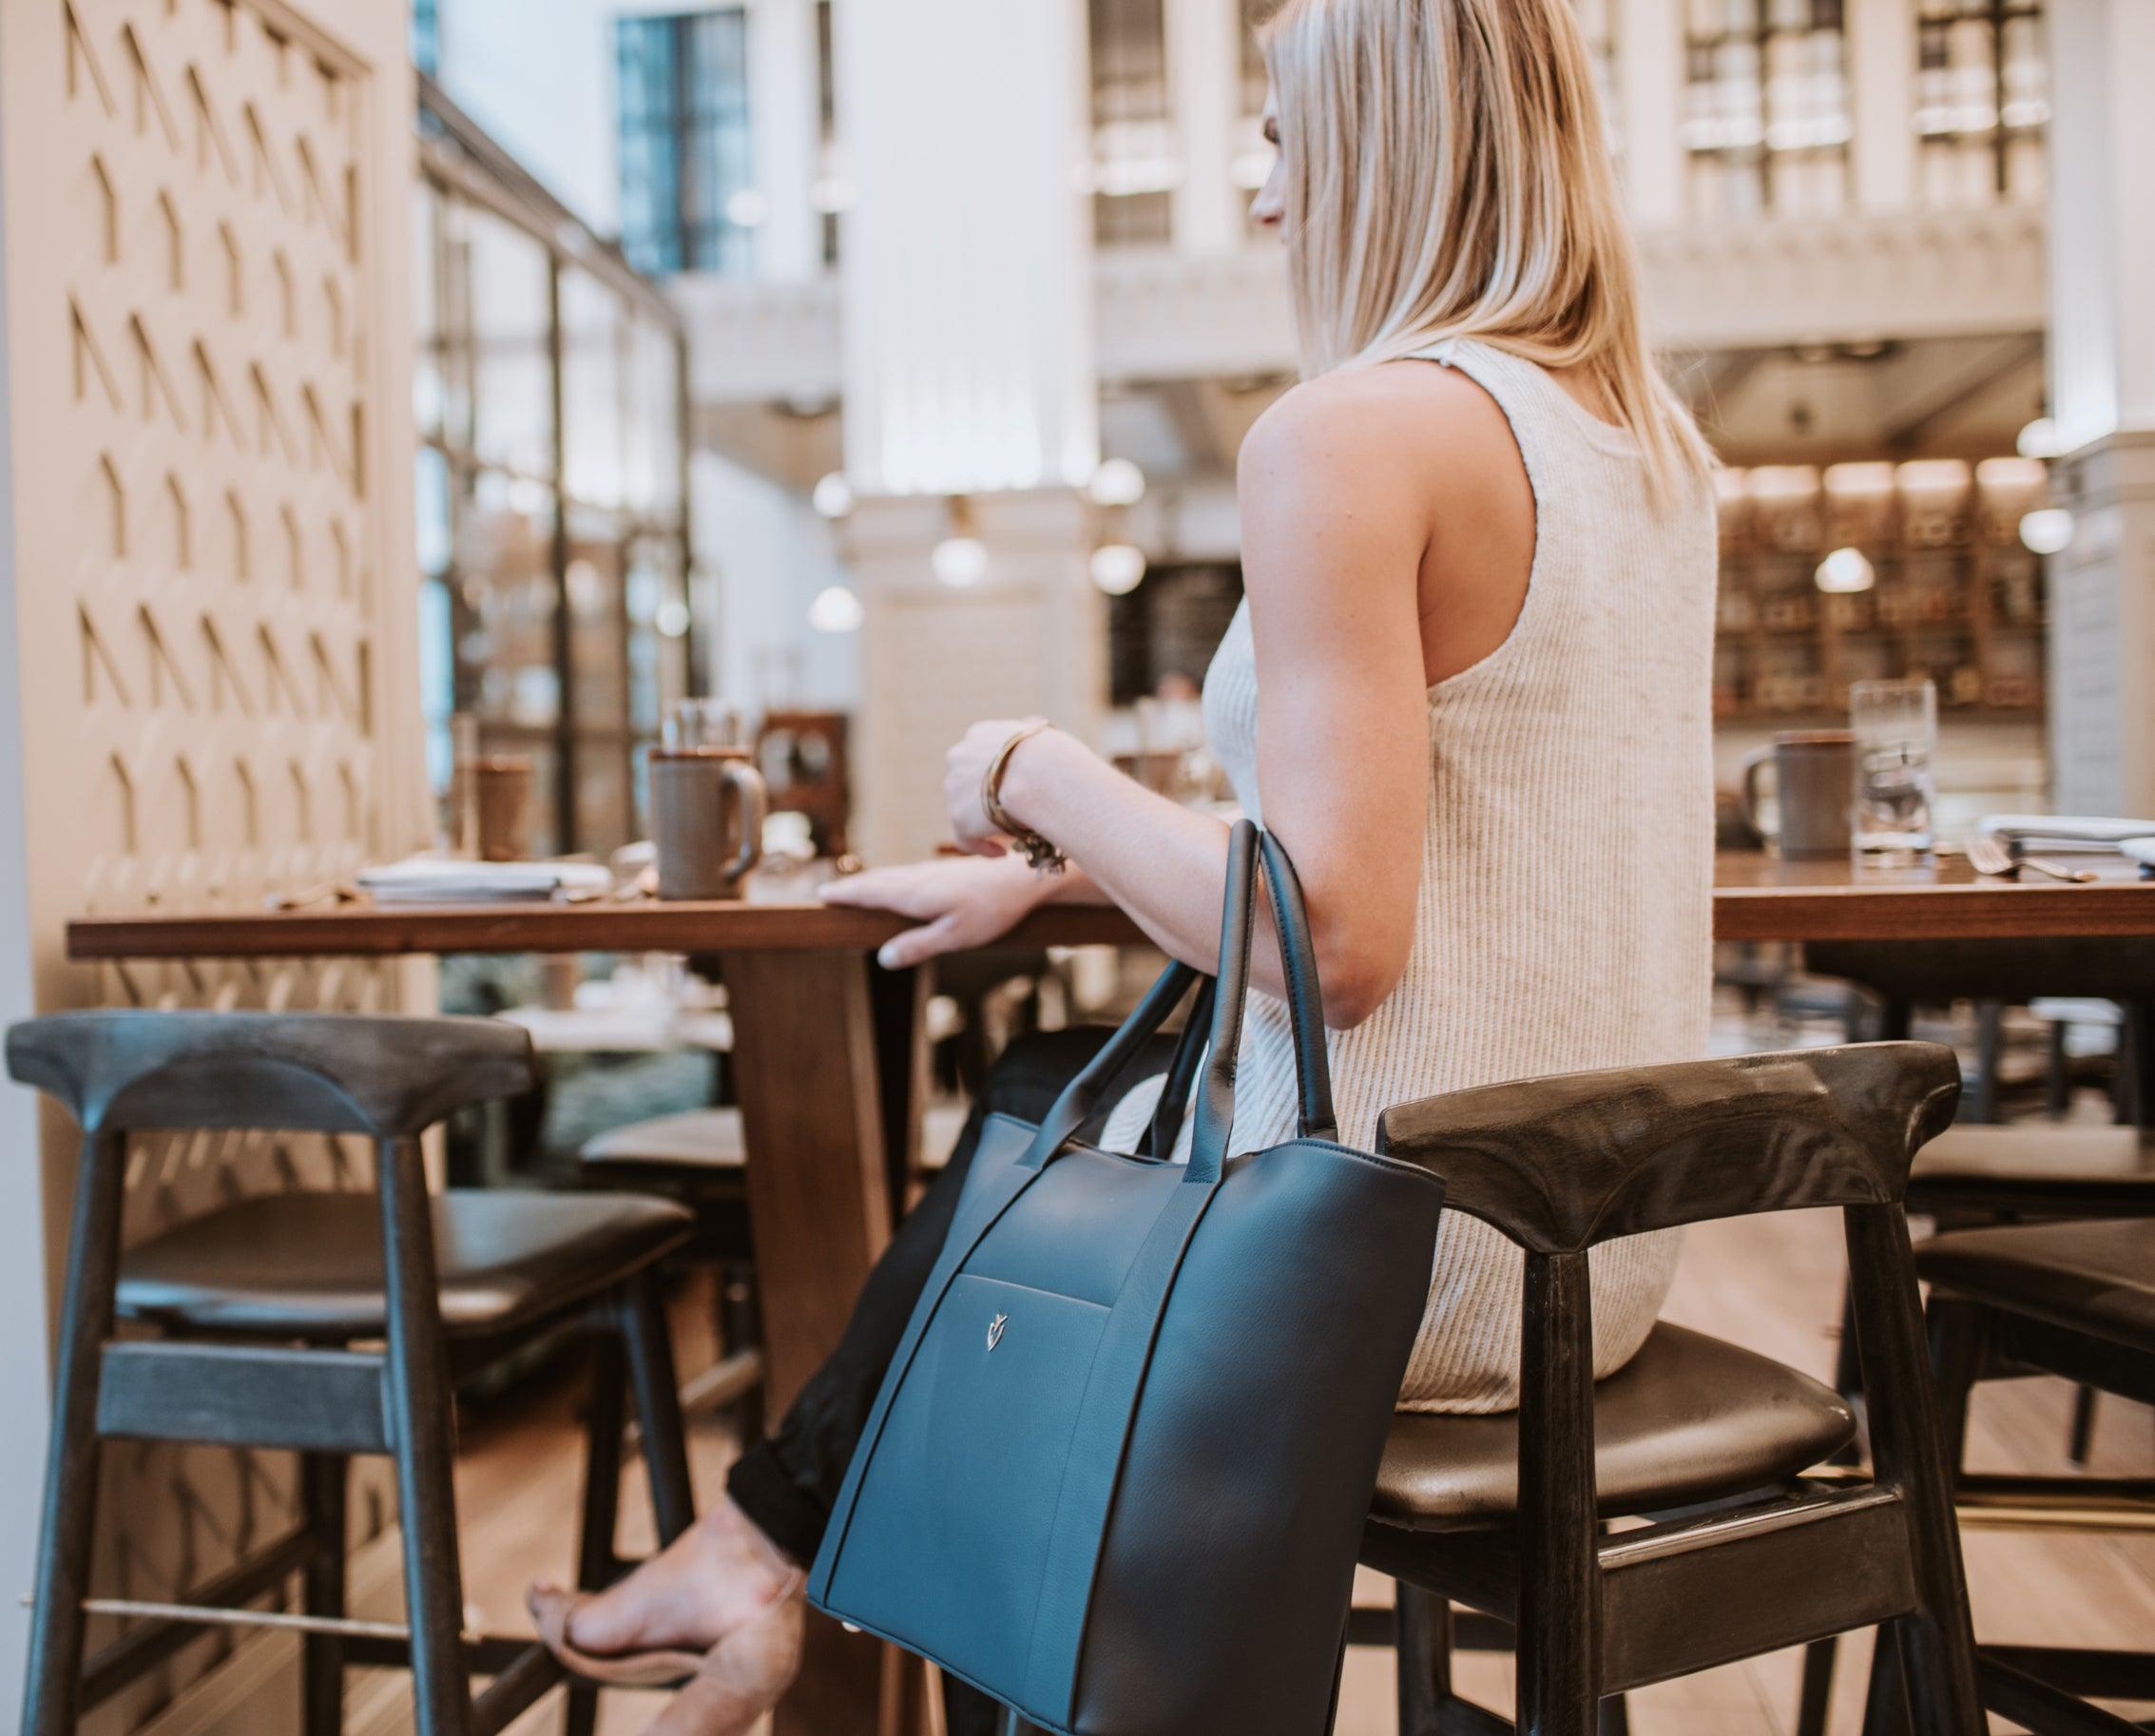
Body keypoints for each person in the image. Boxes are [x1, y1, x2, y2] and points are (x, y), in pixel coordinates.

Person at [530, 0, 1718, 1728]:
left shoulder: (1353, 435)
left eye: (1281, 135)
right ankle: (760, 1551)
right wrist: (1059, 884)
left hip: (1406, 1270)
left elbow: (1340, 938)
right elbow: (1458, 853)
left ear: (1386, 146)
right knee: (1041, 1085)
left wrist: (1041, 772)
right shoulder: (1655, 457)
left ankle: (809, 1574)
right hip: (1595, 1249)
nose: (1264, 192)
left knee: (1035, 1134)